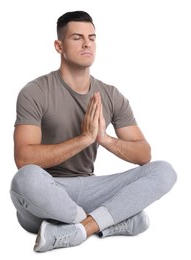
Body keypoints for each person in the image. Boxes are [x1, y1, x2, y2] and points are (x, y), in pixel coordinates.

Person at [10, 10, 177, 253]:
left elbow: (144, 155)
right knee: (24, 180)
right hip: (47, 194)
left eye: (92, 37)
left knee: (164, 171)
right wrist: (83, 139)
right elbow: (24, 159)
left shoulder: (110, 94)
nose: (87, 43)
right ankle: (110, 221)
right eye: (77, 38)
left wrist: (104, 139)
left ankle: (80, 229)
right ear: (59, 46)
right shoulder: (35, 91)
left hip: (90, 188)